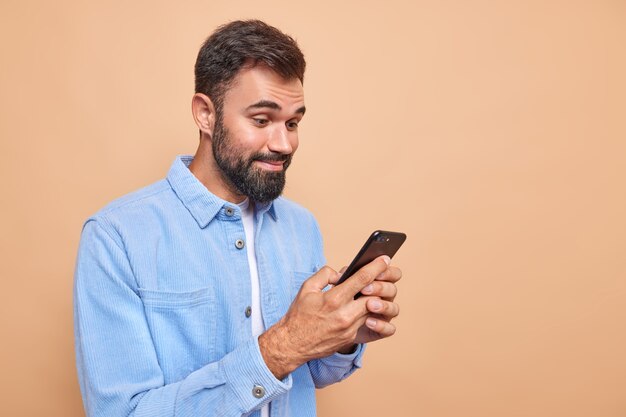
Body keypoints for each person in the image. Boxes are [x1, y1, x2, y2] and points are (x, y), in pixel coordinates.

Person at [74, 20, 401, 417]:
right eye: (262, 120)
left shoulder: (301, 226)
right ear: (205, 115)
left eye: (293, 122)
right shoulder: (115, 238)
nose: (284, 144)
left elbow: (310, 374)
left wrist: (342, 336)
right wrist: (283, 346)